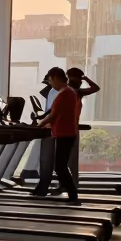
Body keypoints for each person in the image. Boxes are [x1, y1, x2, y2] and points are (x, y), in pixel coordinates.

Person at [31, 66, 81, 203]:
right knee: (60, 165)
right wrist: (45, 123)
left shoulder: (65, 93)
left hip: (65, 134)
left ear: (54, 78)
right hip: (65, 132)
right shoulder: (69, 92)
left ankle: (73, 195)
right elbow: (59, 115)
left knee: (60, 166)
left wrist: (39, 124)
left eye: (50, 81)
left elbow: (53, 115)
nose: (51, 84)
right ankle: (72, 194)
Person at [65, 67, 100, 184]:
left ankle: (72, 183)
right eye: (79, 80)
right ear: (70, 78)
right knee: (67, 159)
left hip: (73, 128)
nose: (81, 82)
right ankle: (69, 183)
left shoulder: (77, 92)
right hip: (67, 128)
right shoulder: (68, 91)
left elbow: (96, 88)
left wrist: (85, 78)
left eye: (81, 80)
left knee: (72, 158)